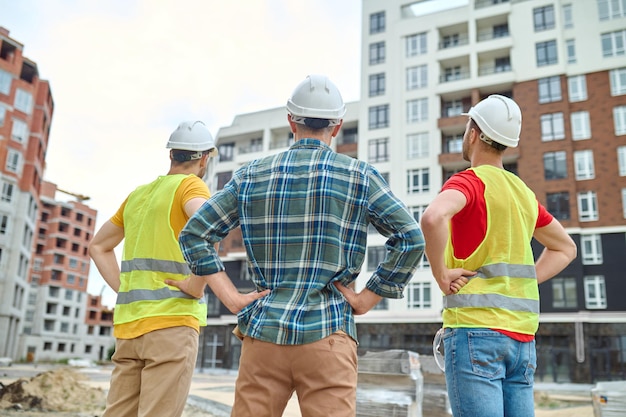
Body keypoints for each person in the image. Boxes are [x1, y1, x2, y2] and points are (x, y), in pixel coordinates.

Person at [171, 74, 425, 417]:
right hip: (329, 332)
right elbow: (410, 237)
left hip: (264, 333)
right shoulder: (360, 176)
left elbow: (194, 234)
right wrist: (368, 297)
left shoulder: (251, 175)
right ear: (336, 127)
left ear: (291, 121)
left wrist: (230, 297)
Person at [420, 94, 578, 417]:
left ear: (474, 133)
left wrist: (440, 274)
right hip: (522, 342)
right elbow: (566, 248)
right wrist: (525, 278)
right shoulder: (523, 194)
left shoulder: (470, 182)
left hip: (474, 335)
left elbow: (432, 218)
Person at [88, 120, 219, 417]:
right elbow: (209, 226)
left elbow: (97, 246)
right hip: (171, 324)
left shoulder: (137, 196)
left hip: (129, 329)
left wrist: (125, 290)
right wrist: (197, 286)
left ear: (171, 155)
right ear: (204, 158)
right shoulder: (191, 185)